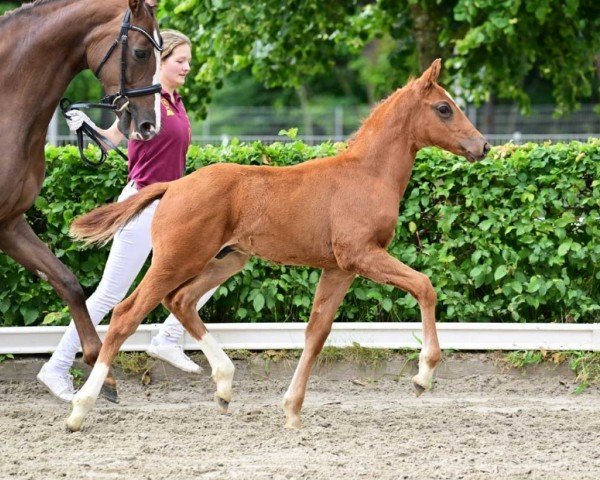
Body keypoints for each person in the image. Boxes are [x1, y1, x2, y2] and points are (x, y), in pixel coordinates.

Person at [37, 30, 216, 402]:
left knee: (216, 268)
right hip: (142, 207)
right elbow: (111, 140)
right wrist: (83, 129)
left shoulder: (175, 101)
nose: (187, 67)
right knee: (110, 293)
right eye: (180, 60)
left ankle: (167, 337)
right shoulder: (143, 103)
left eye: (188, 61)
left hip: (173, 208)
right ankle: (56, 366)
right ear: (160, 62)